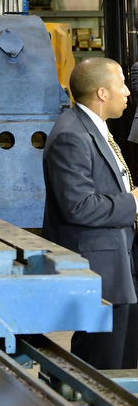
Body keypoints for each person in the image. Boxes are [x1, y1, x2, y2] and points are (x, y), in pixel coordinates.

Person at [43, 57, 138, 370]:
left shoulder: (95, 129)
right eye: (121, 84)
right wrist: (133, 203)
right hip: (100, 269)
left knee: (123, 359)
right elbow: (79, 206)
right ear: (101, 93)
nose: (127, 91)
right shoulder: (72, 135)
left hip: (118, 261)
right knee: (103, 365)